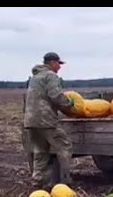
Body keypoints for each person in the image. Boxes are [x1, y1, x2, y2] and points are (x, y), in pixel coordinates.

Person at [23, 52, 75, 189]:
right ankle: (66, 181)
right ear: (52, 63)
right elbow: (56, 95)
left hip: (31, 120)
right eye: (59, 63)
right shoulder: (51, 76)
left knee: (40, 150)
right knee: (64, 146)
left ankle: (37, 181)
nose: (59, 66)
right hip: (45, 119)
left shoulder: (35, 77)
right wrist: (69, 104)